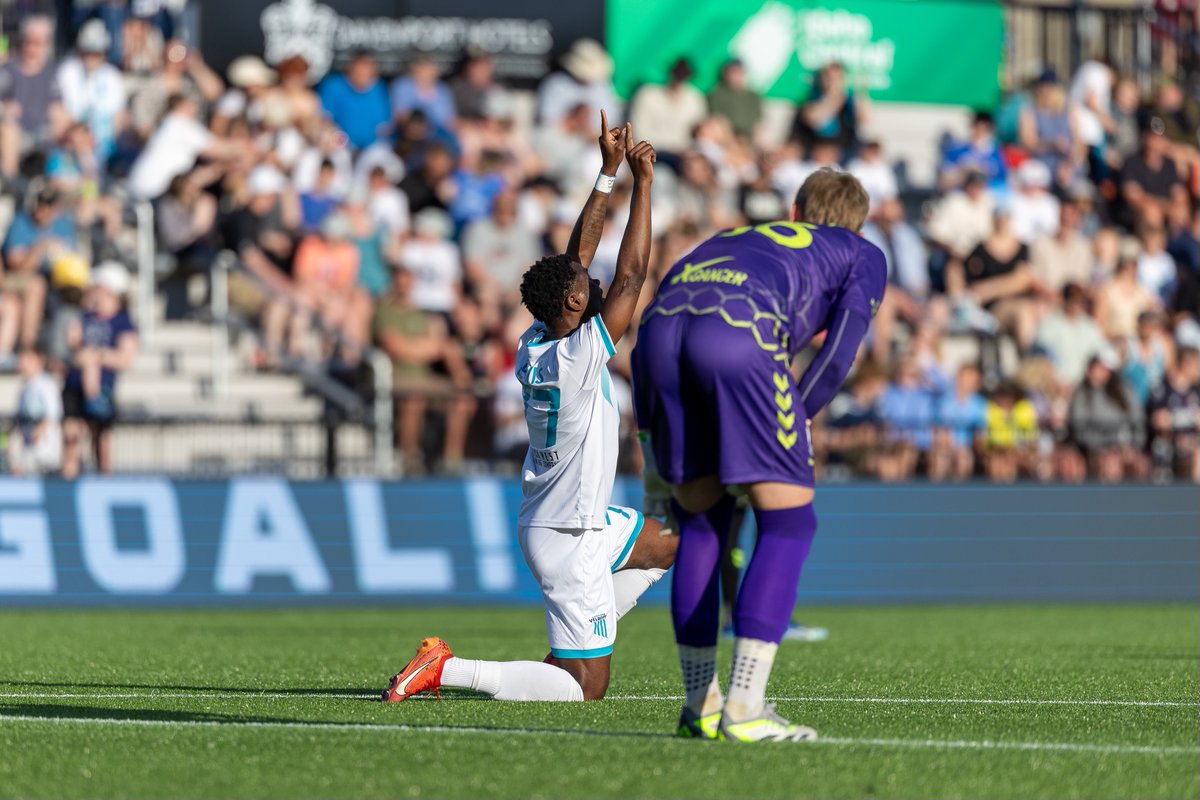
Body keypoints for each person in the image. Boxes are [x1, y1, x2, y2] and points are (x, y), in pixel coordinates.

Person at [382, 114, 673, 703]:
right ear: (573, 299)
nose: (589, 279)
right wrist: (645, 185)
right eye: (583, 282)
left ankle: (578, 638)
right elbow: (633, 277)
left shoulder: (538, 341)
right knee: (584, 690)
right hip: (570, 535)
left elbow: (576, 257)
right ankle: (449, 667)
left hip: (569, 517)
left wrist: (608, 173)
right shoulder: (577, 356)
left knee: (672, 544)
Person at [633, 168, 886, 741]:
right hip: (738, 333)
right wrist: (801, 415)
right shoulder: (860, 253)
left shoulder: (739, 235)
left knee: (701, 521)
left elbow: (662, 308)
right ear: (858, 224)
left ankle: (701, 704)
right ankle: (746, 707)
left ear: (795, 211)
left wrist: (649, 440)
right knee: (790, 521)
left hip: (658, 336)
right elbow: (839, 350)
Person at [60, 261, 137, 477]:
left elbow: (126, 357)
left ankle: (104, 479)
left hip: (102, 388)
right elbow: (71, 345)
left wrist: (97, 356)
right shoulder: (84, 316)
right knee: (71, 435)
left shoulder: (123, 322)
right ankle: (68, 477)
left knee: (100, 437)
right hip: (74, 384)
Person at [628, 57, 707, 156]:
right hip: (651, 152)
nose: (679, 80)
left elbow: (700, 132)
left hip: (684, 155)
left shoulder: (695, 98)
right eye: (677, 74)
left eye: (683, 76)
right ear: (671, 73)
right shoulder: (647, 95)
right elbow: (638, 131)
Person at [317, 51, 391, 151]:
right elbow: (323, 117)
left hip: (370, 147)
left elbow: (384, 126)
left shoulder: (378, 89)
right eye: (358, 73)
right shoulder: (334, 85)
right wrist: (336, 137)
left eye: (367, 74)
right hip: (338, 144)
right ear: (350, 70)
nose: (362, 77)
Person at [7, 346, 63, 475]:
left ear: (40, 361)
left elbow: (53, 414)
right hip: (28, 449)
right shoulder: (24, 389)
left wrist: (38, 434)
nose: (23, 363)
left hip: (44, 451)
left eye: (28, 359)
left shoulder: (47, 385)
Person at [707, 58, 761, 142]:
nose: (735, 75)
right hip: (725, 139)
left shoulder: (753, 96)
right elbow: (716, 120)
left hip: (748, 141)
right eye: (732, 71)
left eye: (738, 71)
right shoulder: (716, 94)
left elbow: (758, 124)